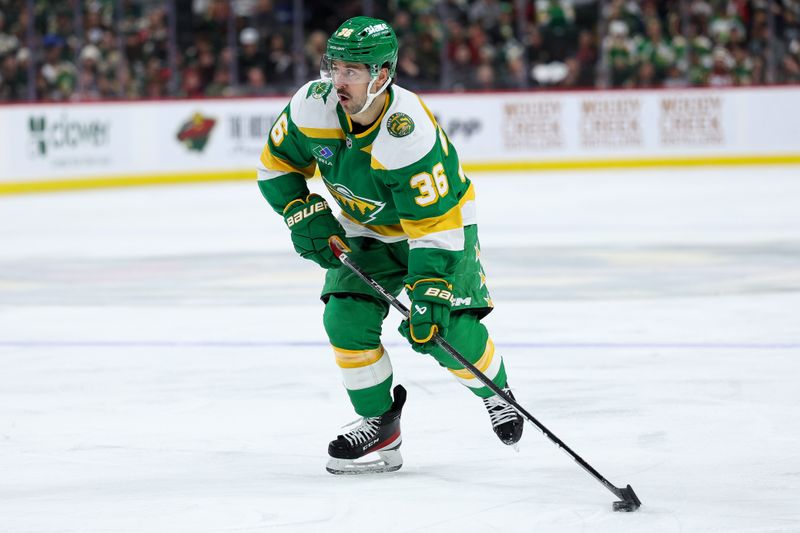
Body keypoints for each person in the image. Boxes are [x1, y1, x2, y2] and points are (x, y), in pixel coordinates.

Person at [257, 16, 523, 475]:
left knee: (440, 330)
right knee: (344, 315)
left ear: (382, 75)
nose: (338, 81)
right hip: (367, 228)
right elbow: (275, 165)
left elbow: (432, 222)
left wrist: (430, 289)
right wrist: (300, 209)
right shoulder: (310, 106)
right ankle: (380, 420)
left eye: (352, 72)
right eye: (334, 67)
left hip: (438, 230)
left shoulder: (406, 131)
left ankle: (496, 393)